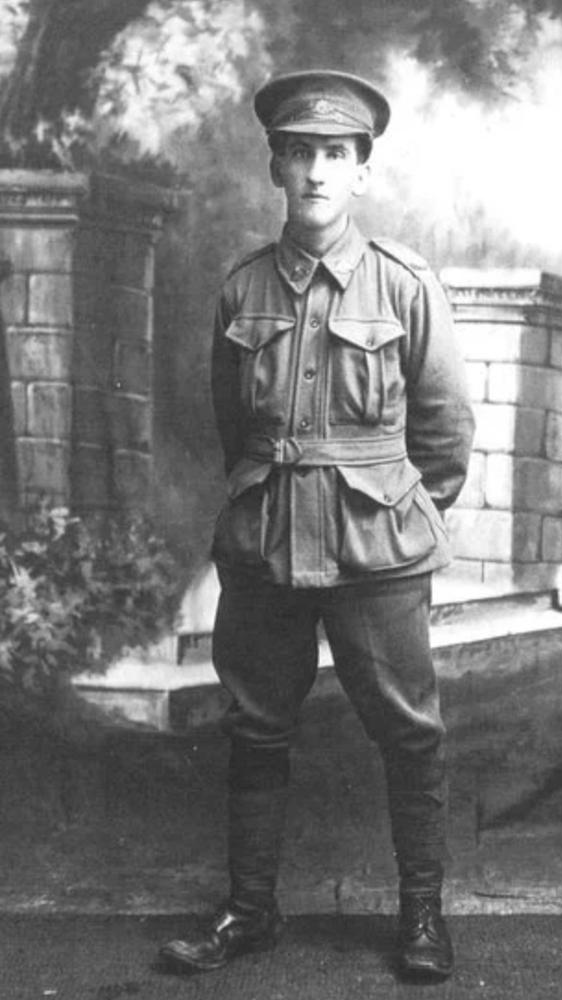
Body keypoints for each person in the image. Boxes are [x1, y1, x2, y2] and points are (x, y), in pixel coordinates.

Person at [160, 69, 475, 982]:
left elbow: (446, 434)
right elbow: (233, 425)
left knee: (410, 731)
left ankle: (423, 917)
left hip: (374, 550)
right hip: (264, 544)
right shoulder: (243, 290)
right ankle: (249, 913)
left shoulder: (404, 284)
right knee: (256, 725)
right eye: (299, 153)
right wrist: (269, 494)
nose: (316, 172)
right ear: (276, 167)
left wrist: (396, 512)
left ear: (362, 172)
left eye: (334, 154)